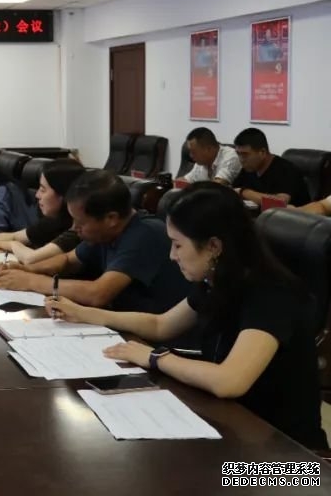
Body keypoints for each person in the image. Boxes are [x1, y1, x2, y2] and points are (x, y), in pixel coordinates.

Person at [47, 183, 327, 450]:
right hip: (232, 429)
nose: (172, 256)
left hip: (289, 462)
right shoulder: (219, 280)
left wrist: (155, 357)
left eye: (178, 245)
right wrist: (83, 313)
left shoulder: (272, 294)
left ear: (214, 247)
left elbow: (230, 381)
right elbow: (160, 324)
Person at [0, 170, 189, 313]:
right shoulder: (104, 232)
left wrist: (32, 282)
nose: (74, 228)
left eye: (80, 222)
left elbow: (98, 294)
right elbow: (68, 260)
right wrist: (28, 270)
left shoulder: (145, 234)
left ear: (111, 218)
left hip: (162, 341)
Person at [0, 159, 84, 264]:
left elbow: (30, 258)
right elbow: (15, 236)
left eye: (43, 190)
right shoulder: (51, 222)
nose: (37, 195)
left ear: (64, 194)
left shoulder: (76, 231)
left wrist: (12, 246)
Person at [231, 128, 309, 206]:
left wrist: (244, 192)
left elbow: (279, 203)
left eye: (245, 154)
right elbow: (233, 190)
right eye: (238, 154)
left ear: (262, 152)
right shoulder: (249, 168)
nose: (241, 159)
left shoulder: (286, 170)